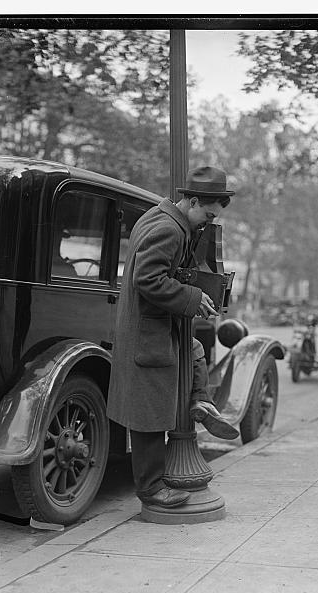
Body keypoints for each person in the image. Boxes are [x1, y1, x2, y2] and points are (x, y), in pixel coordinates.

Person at [107, 166, 238, 510]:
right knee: (149, 413)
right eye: (207, 216)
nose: (207, 223)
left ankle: (200, 400)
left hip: (150, 328)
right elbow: (148, 279)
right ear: (192, 201)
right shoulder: (169, 229)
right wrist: (193, 298)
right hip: (149, 333)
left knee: (192, 351)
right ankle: (151, 490)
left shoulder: (159, 217)